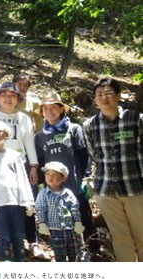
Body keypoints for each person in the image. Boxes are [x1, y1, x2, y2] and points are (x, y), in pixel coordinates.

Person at [83, 77, 143, 262]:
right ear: (94, 99)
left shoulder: (136, 119)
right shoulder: (90, 125)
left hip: (135, 187)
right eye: (99, 94)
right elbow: (94, 155)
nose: (104, 97)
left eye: (109, 93)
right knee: (120, 236)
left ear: (118, 95)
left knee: (142, 236)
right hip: (105, 189)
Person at [0, 82, 43, 258]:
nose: (8, 99)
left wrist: (33, 166)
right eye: (4, 96)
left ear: (18, 98)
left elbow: (29, 142)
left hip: (21, 165)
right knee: (3, 205)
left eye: (12, 96)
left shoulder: (23, 118)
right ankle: (5, 243)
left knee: (26, 202)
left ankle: (32, 241)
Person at [34, 90, 94, 252]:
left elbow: (83, 154)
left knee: (82, 218)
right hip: (53, 187)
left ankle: (91, 251)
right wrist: (41, 184)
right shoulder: (39, 136)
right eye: (45, 109)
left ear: (62, 109)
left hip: (74, 184)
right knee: (58, 221)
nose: (49, 111)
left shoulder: (73, 129)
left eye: (53, 107)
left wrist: (87, 178)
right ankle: (65, 253)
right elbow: (40, 162)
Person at [0, 120, 35, 262]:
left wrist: (28, 201)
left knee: (18, 236)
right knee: (4, 237)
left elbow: (22, 179)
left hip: (16, 202)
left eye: (0, 131)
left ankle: (20, 263)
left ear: (7, 135)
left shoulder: (14, 156)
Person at [35, 161, 84, 262]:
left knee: (74, 254)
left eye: (54, 174)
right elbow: (40, 208)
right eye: (47, 174)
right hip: (55, 230)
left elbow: (74, 207)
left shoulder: (68, 193)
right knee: (59, 255)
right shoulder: (43, 194)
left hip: (70, 229)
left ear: (63, 178)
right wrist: (42, 223)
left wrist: (78, 222)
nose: (50, 177)